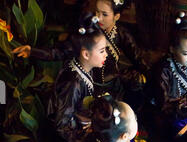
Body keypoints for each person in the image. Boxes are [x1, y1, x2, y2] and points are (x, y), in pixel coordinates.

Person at [12, 0, 148, 106]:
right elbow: (61, 51)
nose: (98, 18)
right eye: (96, 12)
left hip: (112, 87)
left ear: (116, 16)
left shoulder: (121, 34)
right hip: (84, 85)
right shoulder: (87, 33)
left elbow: (138, 58)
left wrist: (145, 75)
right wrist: (33, 51)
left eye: (105, 14)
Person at [47, 13, 107, 142]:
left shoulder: (85, 68)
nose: (106, 55)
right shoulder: (72, 83)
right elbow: (62, 125)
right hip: (68, 141)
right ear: (86, 54)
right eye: (102, 51)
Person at [147, 12, 187, 137]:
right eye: (185, 53)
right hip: (166, 112)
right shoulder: (163, 69)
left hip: (186, 106)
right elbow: (164, 105)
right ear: (172, 49)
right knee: (186, 135)